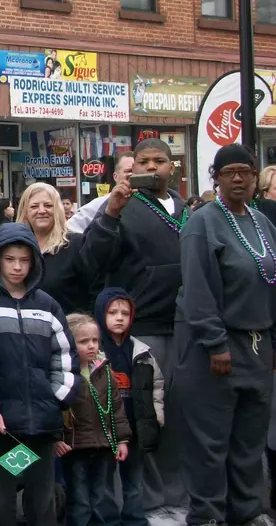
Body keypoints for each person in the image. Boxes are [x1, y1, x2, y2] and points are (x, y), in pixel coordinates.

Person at [174, 144, 276, 526]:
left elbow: (273, 282)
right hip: (213, 349)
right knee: (210, 442)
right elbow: (198, 290)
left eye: (245, 172)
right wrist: (215, 343)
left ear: (254, 176)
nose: (238, 178)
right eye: (229, 172)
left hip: (258, 346)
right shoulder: (203, 222)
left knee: (249, 440)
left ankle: (247, 512)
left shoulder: (262, 223)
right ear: (214, 178)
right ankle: (207, 515)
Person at [0, 222, 78, 526]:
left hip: (40, 427)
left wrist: (57, 400)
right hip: (3, 428)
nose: (17, 267)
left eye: (24, 260)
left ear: (34, 261)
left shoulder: (47, 306)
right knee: (2, 499)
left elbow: (64, 356)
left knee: (41, 497)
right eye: (10, 260)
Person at [95, 138, 187, 520]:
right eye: (143, 161)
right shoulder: (122, 206)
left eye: (159, 161)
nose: (152, 168)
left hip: (185, 325)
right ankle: (143, 501)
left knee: (179, 415)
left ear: (173, 166)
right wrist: (112, 213)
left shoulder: (188, 209)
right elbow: (98, 260)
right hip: (143, 325)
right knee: (144, 415)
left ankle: (178, 494)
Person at [95, 287, 164, 526]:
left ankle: (135, 519)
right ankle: (108, 521)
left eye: (125, 313)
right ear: (100, 315)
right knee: (103, 482)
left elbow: (156, 387)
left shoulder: (142, 351)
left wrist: (156, 418)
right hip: (103, 431)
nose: (119, 317)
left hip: (134, 429)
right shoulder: (95, 351)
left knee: (134, 481)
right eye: (112, 312)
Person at [55, 314, 130, 526]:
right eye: (83, 341)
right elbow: (54, 409)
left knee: (99, 497)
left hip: (103, 445)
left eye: (95, 340)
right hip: (75, 446)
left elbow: (116, 408)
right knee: (79, 499)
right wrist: (56, 439)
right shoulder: (62, 372)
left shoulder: (104, 370)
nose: (91, 346)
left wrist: (122, 440)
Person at [15, 182, 125, 314]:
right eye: (34, 206)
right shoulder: (16, 247)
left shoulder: (76, 244)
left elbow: (95, 289)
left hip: (68, 329)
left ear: (57, 209)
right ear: (25, 212)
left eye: (48, 205)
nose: (42, 210)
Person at [67, 152, 135, 233]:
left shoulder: (151, 202)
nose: (133, 175)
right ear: (115, 177)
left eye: (136, 172)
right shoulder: (98, 205)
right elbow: (69, 230)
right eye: (129, 171)